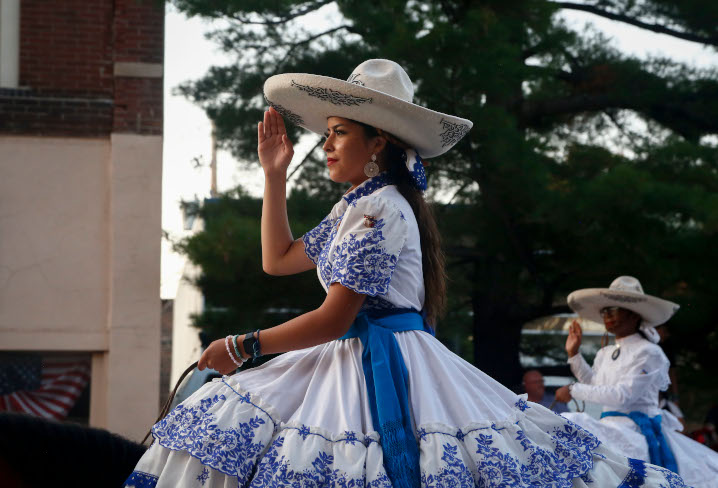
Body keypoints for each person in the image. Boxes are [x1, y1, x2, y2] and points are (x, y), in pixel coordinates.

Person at [124, 60, 686, 487]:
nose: (326, 145)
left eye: (339, 132)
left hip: (381, 360)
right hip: (351, 356)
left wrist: (243, 345)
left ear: (379, 143)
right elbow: (278, 259)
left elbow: (335, 317)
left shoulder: (381, 208)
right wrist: (274, 176)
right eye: (329, 133)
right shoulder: (356, 207)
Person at [555, 275, 718, 487]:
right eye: (605, 311)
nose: (607, 316)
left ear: (633, 316)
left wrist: (573, 389)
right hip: (610, 425)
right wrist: (574, 354)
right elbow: (596, 384)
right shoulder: (605, 352)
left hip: (636, 430)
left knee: (575, 422)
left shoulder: (649, 352)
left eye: (614, 310)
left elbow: (623, 396)